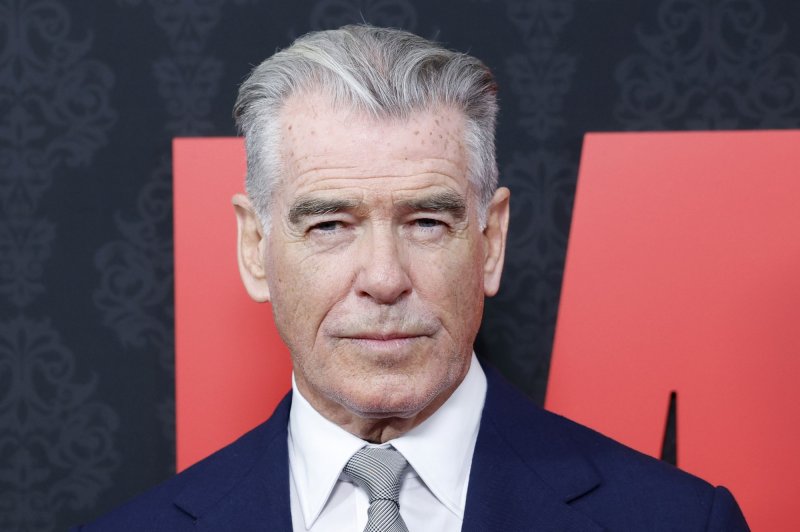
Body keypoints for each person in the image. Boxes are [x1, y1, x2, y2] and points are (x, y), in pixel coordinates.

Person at [73, 24, 749, 531]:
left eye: (426, 221)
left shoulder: (680, 521)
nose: (384, 278)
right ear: (255, 248)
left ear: (489, 241)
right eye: (330, 224)